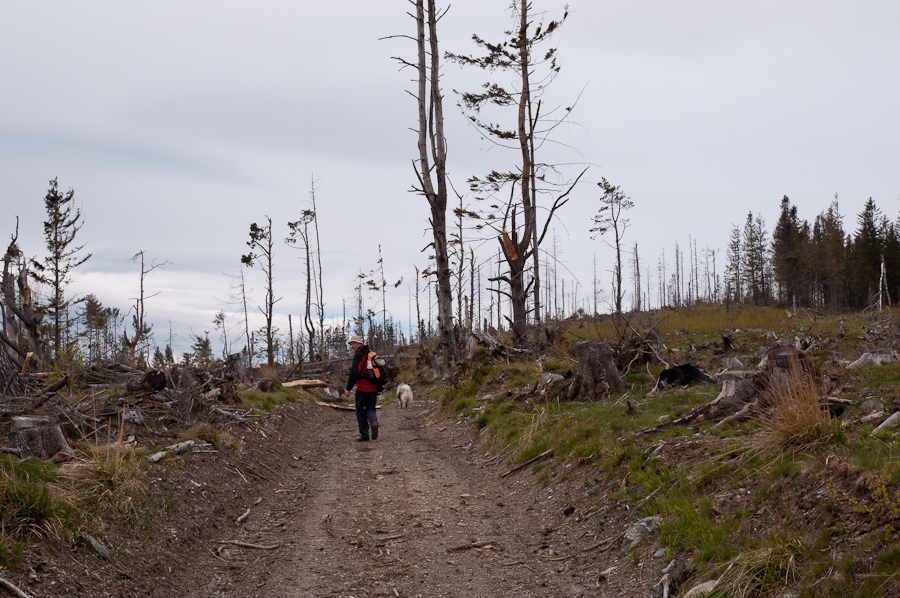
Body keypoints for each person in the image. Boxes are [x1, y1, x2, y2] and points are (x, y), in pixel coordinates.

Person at [344, 334, 379, 441]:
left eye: (354, 343)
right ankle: (374, 422)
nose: (352, 346)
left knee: (360, 410)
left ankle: (364, 435)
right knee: (370, 408)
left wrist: (348, 388)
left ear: (360, 344)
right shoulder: (369, 353)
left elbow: (355, 373)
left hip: (362, 387)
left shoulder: (359, 354)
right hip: (373, 386)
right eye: (351, 344)